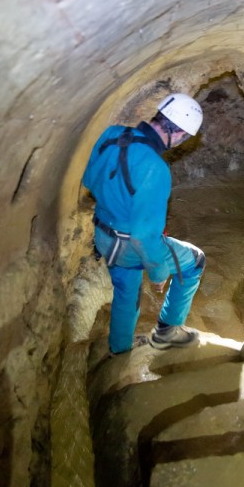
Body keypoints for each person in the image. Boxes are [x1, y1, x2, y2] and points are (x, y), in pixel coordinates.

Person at [82, 92, 205, 355]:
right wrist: (158, 273)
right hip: (129, 245)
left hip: (104, 236)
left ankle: (120, 349)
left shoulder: (112, 133)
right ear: (180, 134)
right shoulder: (155, 168)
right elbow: (143, 235)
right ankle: (168, 331)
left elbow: (89, 179)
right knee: (195, 261)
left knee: (127, 291)